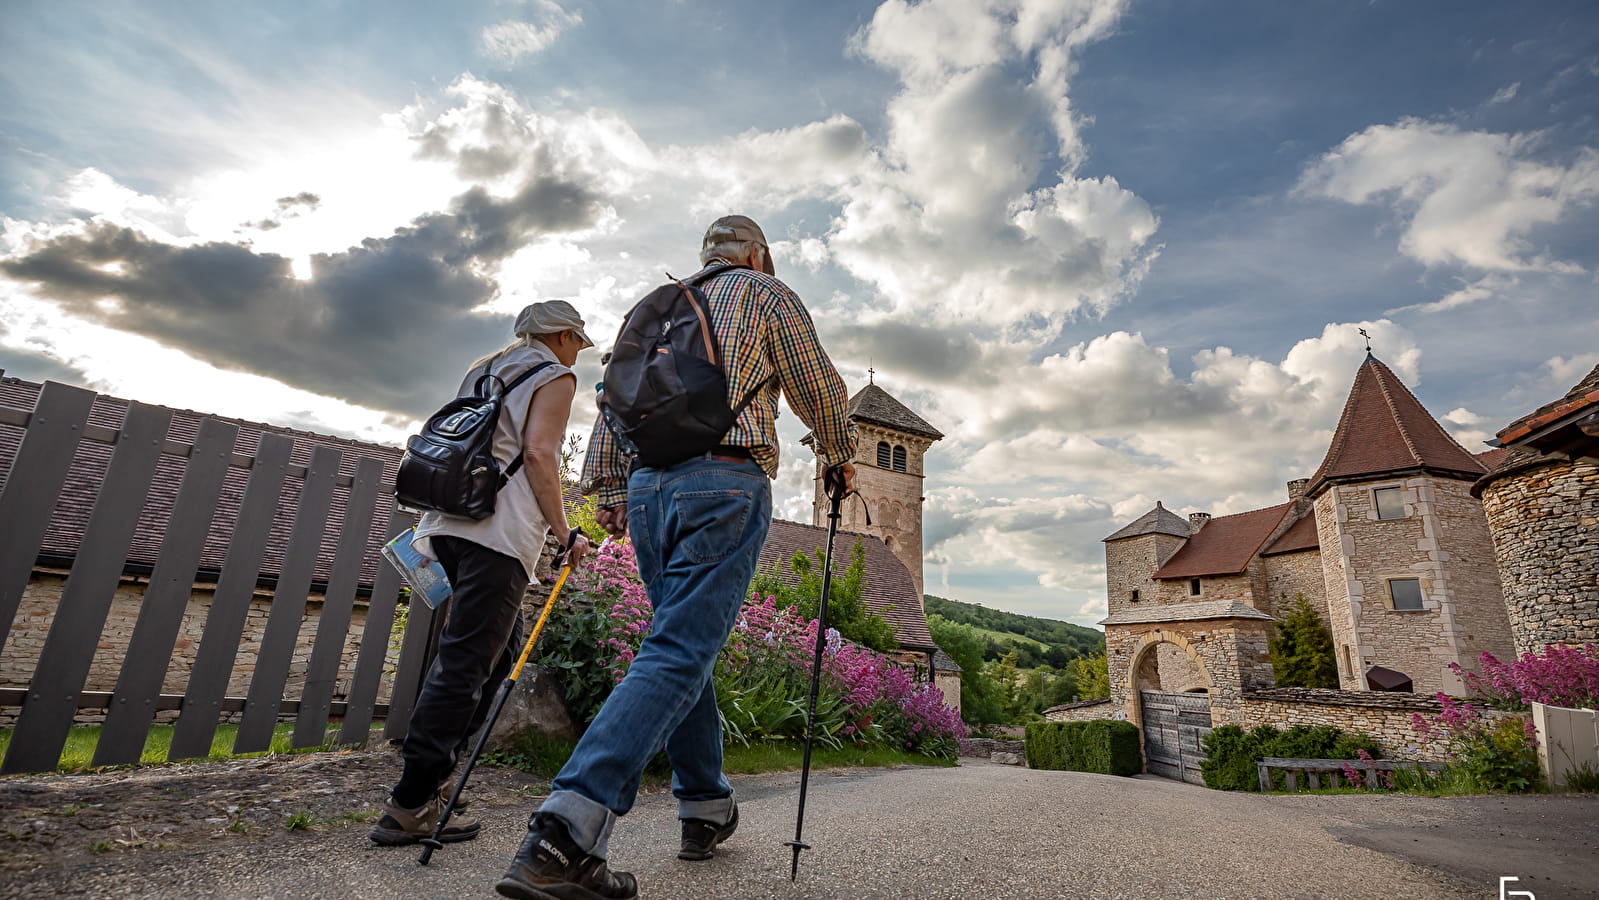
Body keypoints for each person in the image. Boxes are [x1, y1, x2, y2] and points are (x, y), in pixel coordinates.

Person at [494, 216, 857, 900]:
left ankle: (703, 805)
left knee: (681, 644)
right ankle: (564, 832)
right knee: (678, 650)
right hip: (723, 482)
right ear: (756, 253)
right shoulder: (762, 291)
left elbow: (611, 401)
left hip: (649, 491)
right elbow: (820, 387)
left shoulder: (653, 308)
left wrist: (606, 488)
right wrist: (837, 457)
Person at [371, 300, 596, 847]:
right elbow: (541, 455)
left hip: (450, 521)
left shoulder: (485, 366)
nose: (578, 355)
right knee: (466, 663)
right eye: (577, 343)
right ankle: (411, 802)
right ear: (563, 336)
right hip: (497, 532)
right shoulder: (555, 375)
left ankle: (438, 776)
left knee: (499, 649)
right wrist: (565, 534)